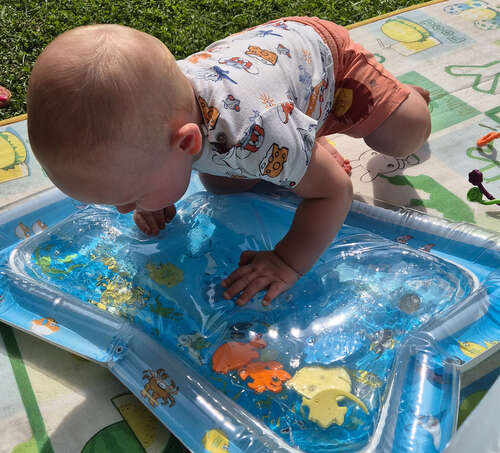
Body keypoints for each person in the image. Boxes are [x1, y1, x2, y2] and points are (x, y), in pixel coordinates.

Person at [27, 19, 431, 307]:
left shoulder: (251, 135)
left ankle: (403, 99)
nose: (124, 210)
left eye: (130, 197)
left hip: (327, 62)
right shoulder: (160, 117)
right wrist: (153, 193)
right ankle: (305, 141)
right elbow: (160, 160)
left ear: (187, 142)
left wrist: (286, 261)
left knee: (400, 136)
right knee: (223, 184)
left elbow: (334, 193)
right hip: (269, 81)